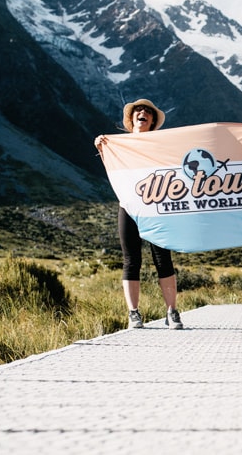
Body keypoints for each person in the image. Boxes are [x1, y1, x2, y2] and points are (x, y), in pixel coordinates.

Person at [94, 99, 183, 330]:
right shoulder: (119, 144)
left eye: (147, 112)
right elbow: (112, 170)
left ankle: (172, 311)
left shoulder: (159, 144)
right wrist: (102, 147)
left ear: (152, 121)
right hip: (129, 206)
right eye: (138, 111)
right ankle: (133, 313)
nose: (142, 113)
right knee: (131, 260)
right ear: (131, 119)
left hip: (156, 206)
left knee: (163, 259)